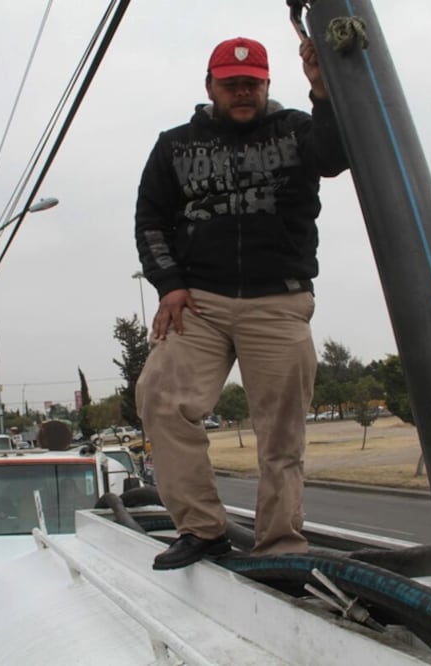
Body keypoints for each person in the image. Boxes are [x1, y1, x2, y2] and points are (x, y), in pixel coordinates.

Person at [134, 35, 348, 570]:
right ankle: (202, 529)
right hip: (198, 301)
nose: (242, 92)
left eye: (252, 83)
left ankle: (280, 549)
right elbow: (150, 219)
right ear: (210, 87)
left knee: (281, 434)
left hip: (279, 299)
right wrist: (169, 283)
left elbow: (336, 156)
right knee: (160, 399)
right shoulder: (174, 145)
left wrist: (323, 88)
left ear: (268, 84)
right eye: (231, 84)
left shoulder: (298, 128)